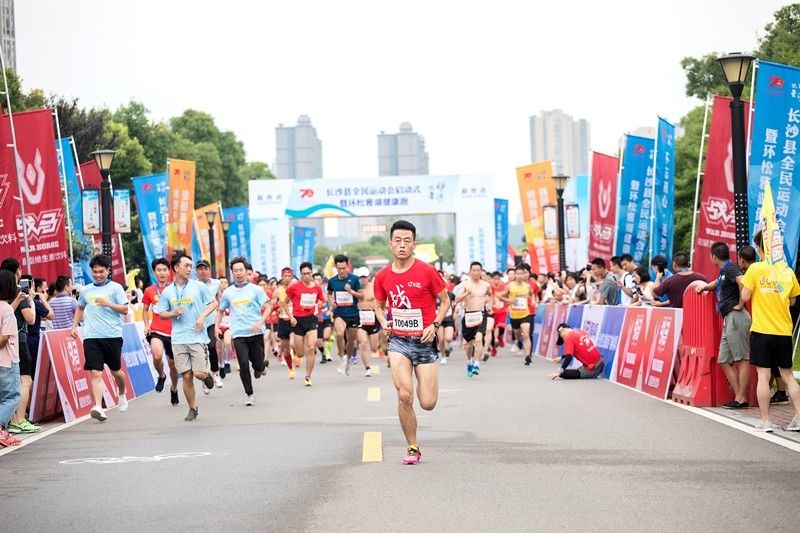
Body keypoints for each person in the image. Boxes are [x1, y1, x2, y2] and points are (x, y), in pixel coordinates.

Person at [373, 220, 449, 465]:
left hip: (424, 342)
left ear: (414, 244)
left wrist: (435, 325)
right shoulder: (383, 276)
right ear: (390, 244)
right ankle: (412, 446)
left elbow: (445, 301)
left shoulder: (427, 271)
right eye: (398, 240)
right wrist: (384, 321)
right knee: (404, 395)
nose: (402, 245)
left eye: (407, 240)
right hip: (398, 342)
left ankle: (421, 381)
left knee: (427, 403)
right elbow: (378, 305)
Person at [740, 231, 800, 432]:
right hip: (783, 331)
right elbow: (792, 300)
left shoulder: (756, 269)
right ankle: (799, 417)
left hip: (762, 330)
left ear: (759, 248)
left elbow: (745, 296)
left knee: (764, 376)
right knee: (788, 375)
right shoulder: (787, 271)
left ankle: (766, 421)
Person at [154, 252, 218, 421]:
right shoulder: (167, 292)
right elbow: (161, 314)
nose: (190, 269)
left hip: (197, 337)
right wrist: (173, 313)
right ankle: (192, 408)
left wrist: (202, 316)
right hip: (178, 339)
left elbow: (214, 303)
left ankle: (207, 375)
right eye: (186, 266)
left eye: (191, 266)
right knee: (187, 376)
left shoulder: (199, 286)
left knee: (197, 374)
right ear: (175, 268)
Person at [70, 254, 130, 422]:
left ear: (108, 271)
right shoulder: (86, 290)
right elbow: (80, 308)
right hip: (91, 337)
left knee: (116, 372)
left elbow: (125, 310)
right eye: (95, 272)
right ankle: (98, 406)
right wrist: (74, 326)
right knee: (95, 372)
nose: (98, 275)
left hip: (112, 336)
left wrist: (108, 304)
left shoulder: (116, 288)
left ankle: (122, 393)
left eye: (101, 272)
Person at [696, 242, 752, 409]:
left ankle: (741, 398)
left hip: (737, 316)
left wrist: (741, 303)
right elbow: (717, 282)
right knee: (724, 360)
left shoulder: (730, 268)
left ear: (714, 256)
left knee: (742, 359)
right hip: (729, 318)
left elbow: (742, 280)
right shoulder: (724, 270)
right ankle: (739, 396)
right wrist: (705, 287)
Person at [217, 257, 271, 405]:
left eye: (241, 270)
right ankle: (249, 394)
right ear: (232, 273)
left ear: (247, 272)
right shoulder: (228, 292)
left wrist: (260, 322)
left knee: (258, 364)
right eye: (235, 270)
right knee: (243, 363)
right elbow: (221, 310)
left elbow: (268, 307)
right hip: (239, 333)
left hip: (256, 332)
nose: (238, 273)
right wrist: (216, 327)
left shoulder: (256, 290)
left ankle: (260, 368)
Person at [1, 259, 37, 434]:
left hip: (11, 347)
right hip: (13, 349)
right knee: (19, 387)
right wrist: (30, 300)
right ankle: (16, 421)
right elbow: (30, 319)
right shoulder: (16, 298)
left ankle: (10, 424)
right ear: (18, 271)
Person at [141, 258, 180, 406]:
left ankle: (174, 389)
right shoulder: (150, 290)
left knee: (174, 365)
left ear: (169, 271)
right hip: (157, 330)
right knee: (157, 356)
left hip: (175, 332)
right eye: (159, 270)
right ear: (154, 272)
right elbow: (144, 309)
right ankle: (162, 376)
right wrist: (146, 325)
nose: (162, 273)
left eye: (165, 270)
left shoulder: (176, 288)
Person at [281, 262, 326, 387]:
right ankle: (298, 355)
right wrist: (291, 317)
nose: (306, 276)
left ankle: (308, 376)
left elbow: (322, 300)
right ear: (300, 274)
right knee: (300, 353)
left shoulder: (317, 288)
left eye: (308, 273)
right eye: (304, 274)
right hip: (298, 321)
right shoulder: (294, 287)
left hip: (311, 319)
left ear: (311, 273)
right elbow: (284, 303)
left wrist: (322, 304)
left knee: (311, 347)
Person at [454, 262, 492, 377]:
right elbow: (457, 299)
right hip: (469, 316)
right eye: (473, 270)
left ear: (481, 271)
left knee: (479, 339)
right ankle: (469, 360)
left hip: (481, 315)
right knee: (469, 344)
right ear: (470, 271)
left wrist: (489, 304)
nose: (476, 272)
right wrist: (465, 294)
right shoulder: (465, 284)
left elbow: (489, 296)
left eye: (478, 270)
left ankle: (477, 363)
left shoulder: (486, 285)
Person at [327, 255, 363, 376]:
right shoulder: (332, 281)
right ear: (336, 267)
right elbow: (329, 293)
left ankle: (347, 359)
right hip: (339, 314)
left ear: (347, 266)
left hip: (353, 314)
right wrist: (331, 301)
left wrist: (351, 292)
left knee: (351, 341)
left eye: (344, 268)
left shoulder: (354, 279)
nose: (342, 271)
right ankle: (342, 358)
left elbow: (362, 296)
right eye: (339, 268)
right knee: (339, 334)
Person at [0, 270, 22, 447]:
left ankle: (3, 432)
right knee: (12, 396)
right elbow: (5, 337)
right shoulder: (6, 309)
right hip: (7, 360)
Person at [498, 264, 536, 365]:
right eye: (517, 273)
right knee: (518, 334)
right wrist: (510, 301)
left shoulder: (527, 286)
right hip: (514, 315)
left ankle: (528, 356)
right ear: (514, 275)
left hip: (525, 314)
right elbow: (499, 296)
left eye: (521, 273)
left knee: (526, 334)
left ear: (524, 275)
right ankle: (518, 341)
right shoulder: (510, 286)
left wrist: (533, 301)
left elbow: (532, 295)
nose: (519, 276)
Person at [196, 259, 223, 390]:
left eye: (205, 268)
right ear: (197, 271)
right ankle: (204, 378)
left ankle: (215, 373)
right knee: (201, 350)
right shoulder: (193, 285)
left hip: (211, 321)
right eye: (200, 269)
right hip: (198, 323)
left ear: (209, 270)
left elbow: (219, 301)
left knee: (212, 347)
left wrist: (219, 321)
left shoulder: (216, 283)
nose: (203, 271)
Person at [23, 276, 54, 381]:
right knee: (32, 374)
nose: (47, 290)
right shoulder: (35, 303)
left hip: (19, 340)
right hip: (32, 341)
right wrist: (44, 300)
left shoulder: (15, 302)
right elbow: (51, 315)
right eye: (45, 288)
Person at [355, 268, 379, 376]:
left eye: (364, 277)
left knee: (374, 348)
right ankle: (367, 368)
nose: (362, 279)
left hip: (373, 317)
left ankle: (378, 349)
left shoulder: (374, 287)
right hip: (361, 317)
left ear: (368, 277)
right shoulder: (355, 288)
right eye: (360, 277)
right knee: (363, 343)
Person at [313, 272, 333, 365]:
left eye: (319, 279)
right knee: (319, 341)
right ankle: (323, 354)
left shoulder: (327, 289)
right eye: (315, 279)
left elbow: (332, 301)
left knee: (326, 336)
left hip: (327, 318)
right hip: (316, 319)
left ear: (322, 280)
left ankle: (328, 354)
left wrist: (331, 310)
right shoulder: (311, 290)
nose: (317, 281)